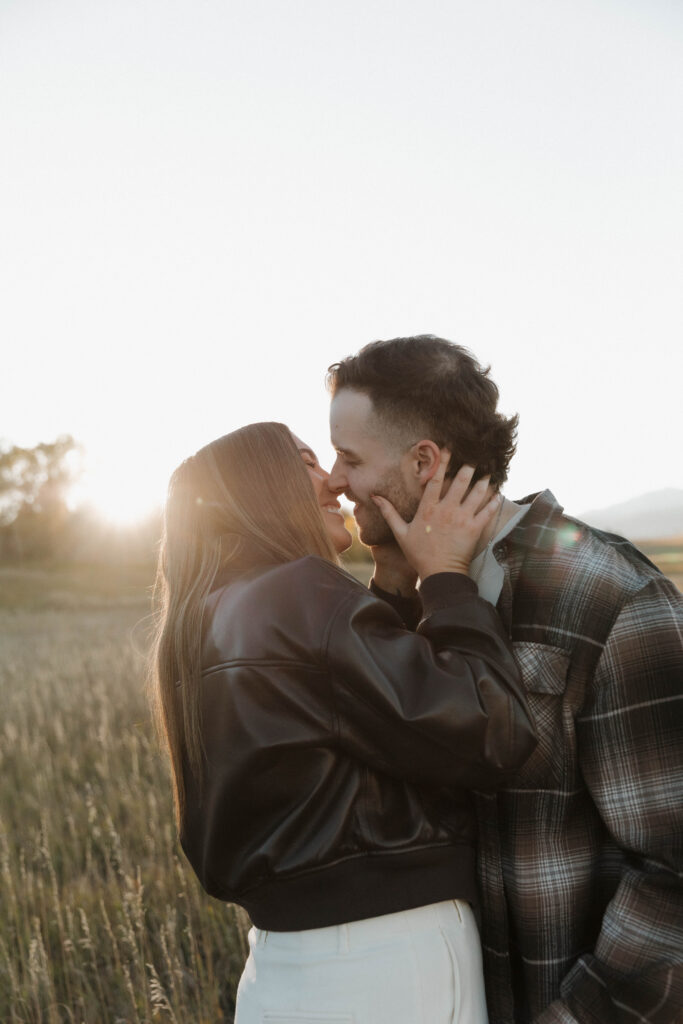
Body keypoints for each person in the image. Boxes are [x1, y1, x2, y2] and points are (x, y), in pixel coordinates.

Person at [326, 335, 683, 1024]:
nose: (336, 480)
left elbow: (675, 875)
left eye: (350, 458)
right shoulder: (404, 598)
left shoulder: (612, 597)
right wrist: (397, 595)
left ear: (423, 462)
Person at [150, 421, 537, 1024]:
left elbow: (346, 712)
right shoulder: (298, 593)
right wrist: (446, 579)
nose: (333, 481)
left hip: (280, 970)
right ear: (263, 487)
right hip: (389, 964)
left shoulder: (202, 623)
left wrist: (392, 589)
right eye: (306, 463)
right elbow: (492, 728)